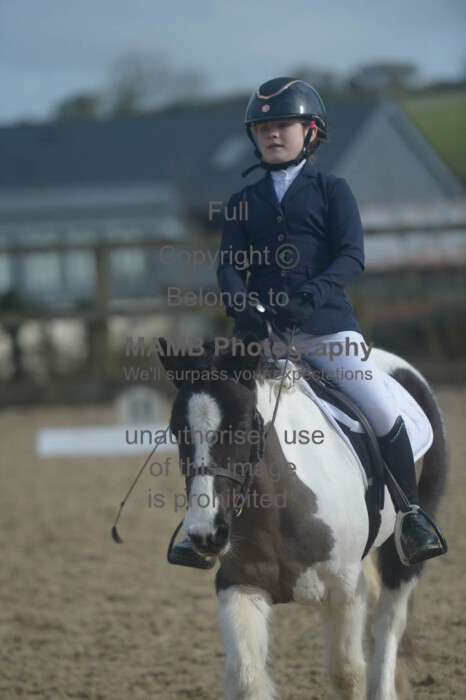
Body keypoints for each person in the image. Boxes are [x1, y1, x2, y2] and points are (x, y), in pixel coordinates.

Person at [170, 77, 445, 569]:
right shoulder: (242, 201)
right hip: (259, 339)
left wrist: (310, 296)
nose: (272, 134)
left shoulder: (333, 191)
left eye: (283, 126)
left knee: (381, 409)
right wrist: (243, 306)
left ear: (311, 132)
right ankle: (199, 523)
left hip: (329, 332)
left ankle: (410, 515)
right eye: (264, 128)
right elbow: (228, 265)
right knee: (214, 412)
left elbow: (351, 256)